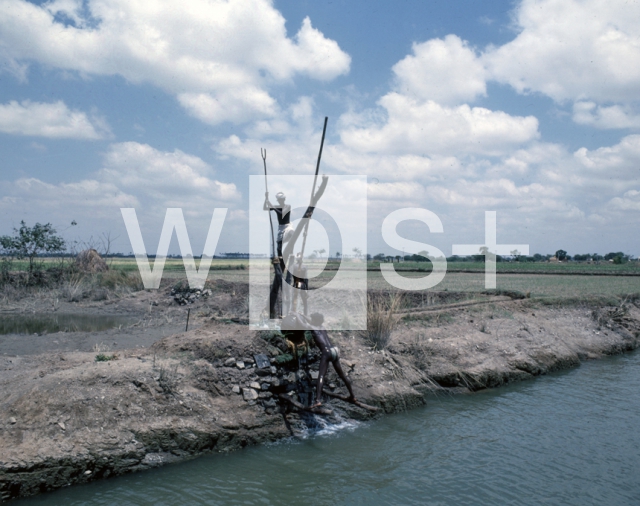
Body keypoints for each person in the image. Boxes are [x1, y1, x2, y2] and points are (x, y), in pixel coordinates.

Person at [282, 312, 356, 408]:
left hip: (326, 352)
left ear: (314, 321)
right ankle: (352, 396)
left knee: (321, 376)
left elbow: (303, 325)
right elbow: (310, 321)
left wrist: (296, 315)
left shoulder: (312, 328)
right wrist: (303, 315)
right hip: (334, 350)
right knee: (342, 375)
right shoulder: (322, 327)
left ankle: (317, 400)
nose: (311, 320)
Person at [264, 191, 293, 259]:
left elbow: (281, 213)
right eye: (279, 200)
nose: (280, 201)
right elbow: (265, 208)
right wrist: (266, 198)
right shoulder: (277, 207)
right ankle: (281, 259)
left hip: (288, 226)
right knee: (279, 247)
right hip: (281, 228)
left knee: (292, 234)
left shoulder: (288, 206)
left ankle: (291, 253)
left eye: (281, 200)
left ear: (284, 199)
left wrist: (272, 206)